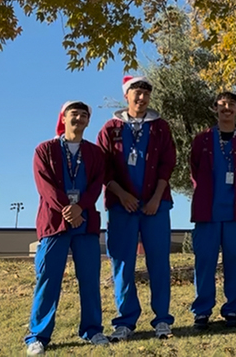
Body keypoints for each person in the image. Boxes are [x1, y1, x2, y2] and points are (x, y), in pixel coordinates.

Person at [25, 101, 109, 355]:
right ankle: (38, 336)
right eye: (74, 114)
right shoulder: (45, 150)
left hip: (85, 224)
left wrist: (80, 208)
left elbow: (96, 185)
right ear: (63, 117)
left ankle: (92, 329)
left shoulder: (95, 154)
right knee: (48, 279)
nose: (79, 119)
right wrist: (67, 209)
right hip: (54, 223)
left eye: (84, 115)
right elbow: (45, 186)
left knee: (89, 279)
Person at [97, 76, 176, 341]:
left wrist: (156, 198)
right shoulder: (110, 128)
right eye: (136, 93)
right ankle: (125, 321)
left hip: (156, 205)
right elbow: (103, 167)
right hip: (122, 207)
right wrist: (121, 195)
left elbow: (167, 163)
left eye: (145, 94)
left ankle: (162, 320)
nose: (141, 98)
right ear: (126, 96)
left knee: (159, 263)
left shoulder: (161, 128)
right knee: (122, 263)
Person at [189, 92, 236, 330]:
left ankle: (232, 310)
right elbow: (194, 170)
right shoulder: (202, 140)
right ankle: (202, 311)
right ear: (215, 109)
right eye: (222, 105)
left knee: (234, 263)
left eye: (231, 105)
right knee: (205, 263)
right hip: (207, 213)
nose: (226, 108)